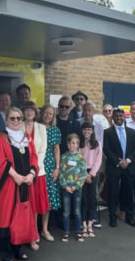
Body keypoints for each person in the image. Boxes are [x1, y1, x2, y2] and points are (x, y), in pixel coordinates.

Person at [0, 107, 39, 261]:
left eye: (19, 118)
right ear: (6, 120)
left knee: (22, 216)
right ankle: (6, 254)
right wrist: (16, 176)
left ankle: (18, 248)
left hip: (25, 184)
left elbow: (34, 157)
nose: (16, 121)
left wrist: (31, 173)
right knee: (6, 216)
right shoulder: (0, 138)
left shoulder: (26, 138)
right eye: (12, 118)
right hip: (8, 186)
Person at [103, 108, 135, 228]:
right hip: (114, 167)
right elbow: (106, 149)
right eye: (116, 116)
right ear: (113, 118)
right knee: (113, 193)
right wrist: (118, 161)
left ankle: (130, 217)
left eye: (121, 116)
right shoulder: (107, 132)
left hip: (128, 167)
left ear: (125, 117)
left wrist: (127, 161)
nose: (119, 118)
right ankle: (112, 217)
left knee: (128, 193)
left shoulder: (131, 132)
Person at [22, 100, 48, 251]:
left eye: (32, 110)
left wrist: (33, 169)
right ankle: (23, 233)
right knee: (23, 205)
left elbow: (42, 151)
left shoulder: (41, 128)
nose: (29, 112)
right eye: (26, 110)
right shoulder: (16, 126)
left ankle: (34, 233)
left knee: (35, 205)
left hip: (38, 172)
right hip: (20, 173)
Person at [59, 134, 87, 242]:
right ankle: (66, 232)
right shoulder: (64, 157)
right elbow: (61, 172)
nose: (72, 145)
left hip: (77, 189)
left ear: (78, 145)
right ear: (67, 144)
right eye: (70, 143)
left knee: (77, 211)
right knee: (66, 211)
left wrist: (76, 186)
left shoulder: (80, 158)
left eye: (74, 143)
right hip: (66, 189)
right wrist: (65, 186)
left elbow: (83, 174)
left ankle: (78, 232)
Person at [38, 104, 61, 241]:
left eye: (51, 114)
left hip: (50, 165)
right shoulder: (35, 127)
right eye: (46, 113)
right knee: (37, 197)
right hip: (37, 164)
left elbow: (56, 149)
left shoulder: (55, 130)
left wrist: (57, 167)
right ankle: (33, 230)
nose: (48, 115)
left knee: (48, 199)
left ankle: (44, 229)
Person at [79, 122, 102, 238]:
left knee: (92, 198)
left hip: (93, 173)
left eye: (89, 129)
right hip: (82, 173)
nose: (86, 132)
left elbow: (98, 160)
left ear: (92, 131)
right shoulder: (79, 143)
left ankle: (90, 224)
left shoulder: (97, 144)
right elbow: (78, 158)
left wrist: (91, 174)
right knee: (83, 198)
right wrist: (84, 174)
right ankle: (83, 224)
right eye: (85, 129)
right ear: (82, 130)